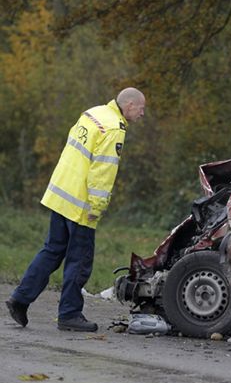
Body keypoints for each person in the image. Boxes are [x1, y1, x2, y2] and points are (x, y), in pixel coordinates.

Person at [5, 87, 146, 332]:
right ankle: (69, 314)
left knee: (52, 250)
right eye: (141, 108)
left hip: (60, 193)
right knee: (80, 260)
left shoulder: (93, 113)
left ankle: (20, 299)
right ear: (130, 105)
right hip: (81, 202)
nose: (143, 114)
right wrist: (97, 206)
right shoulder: (114, 128)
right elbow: (102, 171)